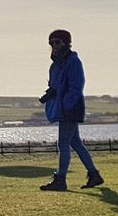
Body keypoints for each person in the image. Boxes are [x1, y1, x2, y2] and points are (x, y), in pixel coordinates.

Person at [38, 29, 104, 191]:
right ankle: (94, 174)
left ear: (66, 43)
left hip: (70, 108)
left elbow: (76, 86)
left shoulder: (73, 62)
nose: (54, 45)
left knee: (63, 144)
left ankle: (60, 179)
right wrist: (50, 94)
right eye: (51, 42)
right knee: (75, 143)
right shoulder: (55, 65)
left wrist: (66, 105)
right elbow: (56, 86)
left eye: (57, 42)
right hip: (64, 107)